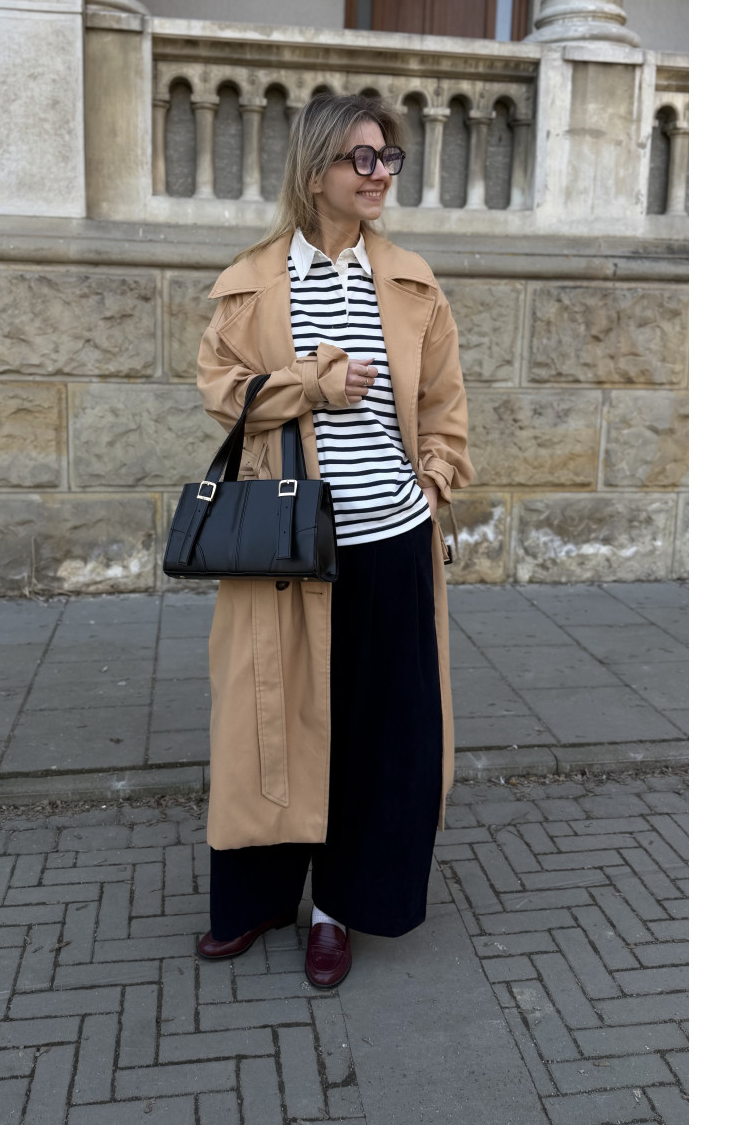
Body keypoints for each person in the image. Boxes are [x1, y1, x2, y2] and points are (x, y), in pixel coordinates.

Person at [194, 92, 474, 988]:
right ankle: (257, 898)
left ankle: (337, 909)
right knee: (267, 723)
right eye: (362, 157)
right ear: (316, 170)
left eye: (389, 157)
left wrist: (430, 482)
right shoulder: (252, 281)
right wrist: (314, 383)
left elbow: (444, 408)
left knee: (374, 731)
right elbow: (222, 390)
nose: (380, 173)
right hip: (284, 543)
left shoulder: (413, 283)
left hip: (390, 541)